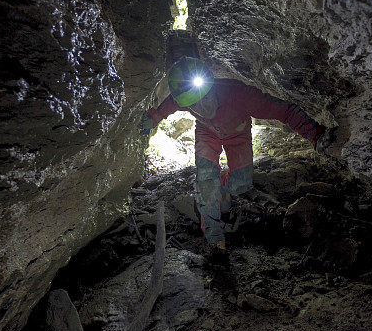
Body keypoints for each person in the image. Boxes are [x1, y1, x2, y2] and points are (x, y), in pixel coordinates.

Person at [139, 56, 342, 259]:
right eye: (194, 106)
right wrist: (154, 117)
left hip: (238, 134)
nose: (201, 108)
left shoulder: (240, 95)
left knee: (240, 184)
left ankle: (221, 192)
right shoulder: (185, 98)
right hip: (207, 134)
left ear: (210, 86)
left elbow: (285, 111)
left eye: (204, 99)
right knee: (207, 180)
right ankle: (215, 240)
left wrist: (316, 135)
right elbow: (170, 105)